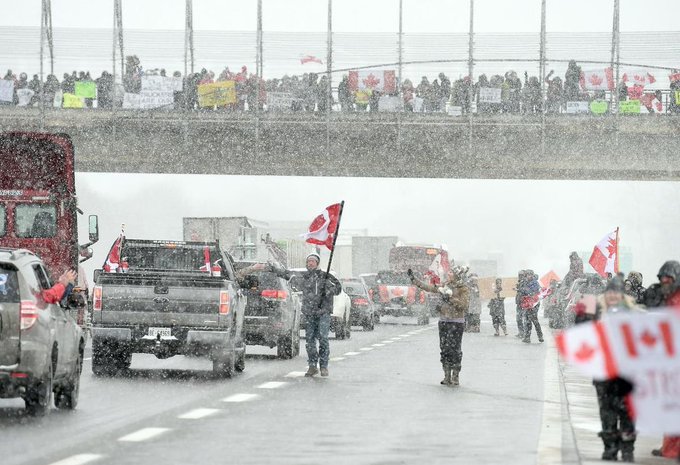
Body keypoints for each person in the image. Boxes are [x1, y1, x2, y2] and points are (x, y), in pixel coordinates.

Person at [574, 277, 641, 462]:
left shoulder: (633, 314)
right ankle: (610, 448)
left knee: (627, 412)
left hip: (627, 374)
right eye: (609, 292)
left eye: (616, 292)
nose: (612, 295)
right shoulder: (596, 313)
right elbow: (581, 333)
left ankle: (627, 449)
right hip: (603, 374)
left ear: (622, 295)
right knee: (607, 412)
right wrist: (581, 315)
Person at [270, 253, 341, 377]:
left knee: (323, 338)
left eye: (313, 261)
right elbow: (287, 274)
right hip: (309, 313)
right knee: (309, 341)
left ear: (317, 263)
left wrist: (329, 290)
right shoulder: (304, 276)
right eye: (309, 261)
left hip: (323, 312)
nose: (310, 263)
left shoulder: (326, 276)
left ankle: (323, 366)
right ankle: (312, 365)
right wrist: (275, 270)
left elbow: (338, 288)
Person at [408, 266, 469, 386]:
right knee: (444, 348)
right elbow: (429, 287)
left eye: (451, 272)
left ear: (457, 275)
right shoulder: (444, 286)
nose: (448, 273)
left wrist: (450, 299)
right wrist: (413, 279)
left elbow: (464, 305)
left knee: (455, 350)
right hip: (444, 321)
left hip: (457, 323)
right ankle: (446, 375)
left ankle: (455, 375)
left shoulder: (463, 288)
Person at [519, 271, 543, 343]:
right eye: (527, 275)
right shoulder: (525, 282)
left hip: (534, 303)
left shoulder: (535, 283)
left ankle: (540, 336)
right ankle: (527, 337)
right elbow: (523, 291)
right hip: (527, 303)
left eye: (530, 275)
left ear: (532, 275)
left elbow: (532, 291)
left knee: (534, 320)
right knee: (527, 321)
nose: (528, 276)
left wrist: (523, 289)